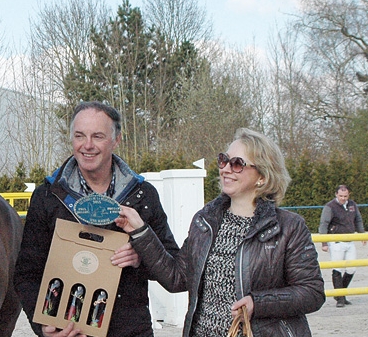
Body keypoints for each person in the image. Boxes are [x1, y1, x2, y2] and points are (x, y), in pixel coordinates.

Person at [114, 128, 325, 336]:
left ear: (262, 175)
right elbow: (177, 278)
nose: (226, 169)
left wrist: (257, 303)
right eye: (224, 160)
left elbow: (312, 292)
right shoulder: (205, 221)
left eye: (237, 164)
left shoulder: (289, 227)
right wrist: (141, 231)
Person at [13, 101, 180, 337]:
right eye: (79, 136)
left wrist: (141, 254)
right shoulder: (48, 196)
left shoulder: (144, 195)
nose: (87, 145)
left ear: (116, 140)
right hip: (69, 331)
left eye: (98, 136)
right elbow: (27, 274)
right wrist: (42, 325)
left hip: (131, 331)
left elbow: (173, 266)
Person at [319, 184, 366, 307]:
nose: (343, 198)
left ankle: (340, 293)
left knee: (352, 268)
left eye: (345, 196)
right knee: (337, 268)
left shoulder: (352, 205)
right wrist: (324, 243)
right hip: (336, 241)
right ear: (336, 194)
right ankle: (340, 298)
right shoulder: (330, 207)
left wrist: (362, 234)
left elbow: (358, 219)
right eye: (341, 196)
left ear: (348, 195)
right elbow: (324, 224)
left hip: (350, 240)